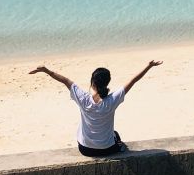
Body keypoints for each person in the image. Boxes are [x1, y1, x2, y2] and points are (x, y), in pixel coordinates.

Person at [29, 60, 163, 157]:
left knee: (107, 134)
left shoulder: (83, 99)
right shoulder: (112, 100)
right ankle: (120, 147)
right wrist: (148, 66)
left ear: (92, 82)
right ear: (107, 83)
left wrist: (46, 70)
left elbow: (65, 80)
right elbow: (133, 80)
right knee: (115, 134)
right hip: (107, 149)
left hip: (85, 150)